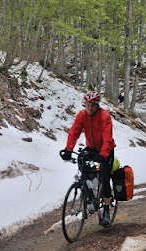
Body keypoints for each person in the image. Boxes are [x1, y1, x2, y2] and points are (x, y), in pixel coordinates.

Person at [60, 91, 116, 226]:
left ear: (97, 105)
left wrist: (103, 155)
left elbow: (107, 138)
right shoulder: (82, 115)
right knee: (84, 169)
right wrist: (68, 149)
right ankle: (88, 196)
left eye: (92, 105)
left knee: (105, 178)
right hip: (91, 148)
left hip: (106, 150)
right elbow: (74, 132)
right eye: (87, 105)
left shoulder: (104, 116)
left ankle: (107, 211)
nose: (89, 108)